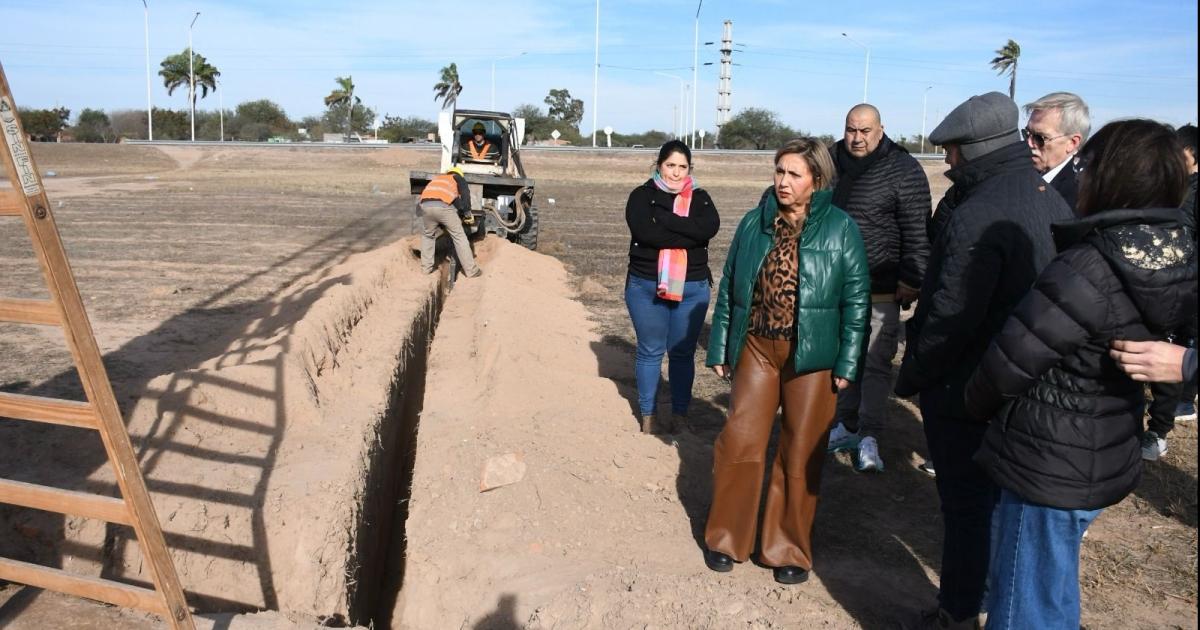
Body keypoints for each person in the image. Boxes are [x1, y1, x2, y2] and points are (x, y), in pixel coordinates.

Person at [964, 119, 1196, 630]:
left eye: (1089, 167)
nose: (1082, 177)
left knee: (1024, 602)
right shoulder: (1174, 250)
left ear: (1113, 178)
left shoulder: (1090, 265)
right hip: (1105, 445)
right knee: (1050, 587)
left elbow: (1011, 360)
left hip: (1050, 459)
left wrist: (972, 406)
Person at [893, 92, 1073, 630]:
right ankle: (993, 601)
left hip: (968, 388)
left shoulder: (978, 212)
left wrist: (915, 374)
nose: (947, 160)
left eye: (951, 150)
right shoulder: (1048, 197)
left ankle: (957, 611)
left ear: (973, 149)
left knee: (967, 509)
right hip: (1026, 381)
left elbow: (951, 316)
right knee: (999, 506)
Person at [703, 137, 868, 585]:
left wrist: (848, 363)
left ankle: (786, 547)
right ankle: (726, 538)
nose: (783, 181)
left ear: (817, 179)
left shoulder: (841, 228)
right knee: (740, 440)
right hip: (757, 348)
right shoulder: (753, 223)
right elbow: (731, 286)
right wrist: (720, 346)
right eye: (779, 171)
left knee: (800, 450)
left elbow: (857, 300)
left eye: (795, 174)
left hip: (813, 356)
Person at [826, 103, 931, 473]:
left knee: (873, 362)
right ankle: (845, 423)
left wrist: (912, 277)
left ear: (881, 129)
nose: (857, 138)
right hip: (835, 286)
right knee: (842, 359)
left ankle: (869, 434)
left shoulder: (903, 168)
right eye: (851, 129)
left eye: (865, 131)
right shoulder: (829, 160)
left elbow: (917, 229)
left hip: (881, 286)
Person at [623, 139, 720, 434]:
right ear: (659, 165)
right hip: (646, 285)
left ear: (690, 168)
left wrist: (665, 219)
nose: (676, 173)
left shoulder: (701, 198)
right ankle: (649, 416)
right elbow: (646, 233)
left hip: (692, 288)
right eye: (670, 165)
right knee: (651, 351)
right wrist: (690, 236)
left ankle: (680, 415)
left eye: (683, 166)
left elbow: (709, 229)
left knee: (682, 353)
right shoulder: (641, 196)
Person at [1140, 123, 1200, 459]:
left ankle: (1159, 430)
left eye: (1182, 154)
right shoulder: (1166, 187)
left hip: (1184, 286)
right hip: (1156, 280)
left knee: (1173, 351)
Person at [1023, 92, 1090, 210]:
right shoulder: (1022, 173)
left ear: (1072, 143)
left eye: (1040, 138)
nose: (1029, 143)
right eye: (1027, 134)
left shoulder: (1080, 195)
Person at [418, 166, 481, 278]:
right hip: (442, 207)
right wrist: (467, 213)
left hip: (425, 205)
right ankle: (471, 271)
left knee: (428, 236)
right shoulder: (457, 178)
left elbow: (454, 200)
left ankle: (426, 269)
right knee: (459, 236)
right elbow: (465, 194)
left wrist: (460, 210)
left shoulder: (439, 179)